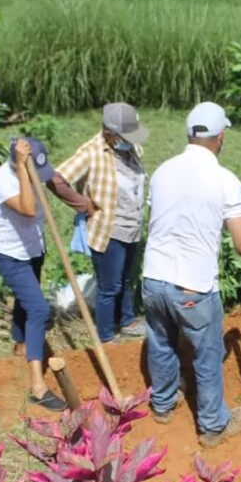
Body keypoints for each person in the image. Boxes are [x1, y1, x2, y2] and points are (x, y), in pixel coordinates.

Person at [142, 102, 241, 448]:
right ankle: (212, 426)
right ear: (220, 137)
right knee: (207, 353)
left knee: (160, 341)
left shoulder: (162, 171)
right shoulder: (225, 180)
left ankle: (163, 404)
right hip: (192, 285)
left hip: (153, 277)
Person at [0, 137, 88, 412]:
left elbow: (53, 183)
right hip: (10, 255)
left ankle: (20, 344)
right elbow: (29, 209)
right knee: (39, 310)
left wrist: (81, 203)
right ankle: (38, 388)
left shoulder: (33, 172)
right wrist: (24, 169)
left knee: (26, 299)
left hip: (33, 249)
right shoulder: (3, 180)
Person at [56, 103, 149, 344]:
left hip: (131, 228)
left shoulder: (130, 148)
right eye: (125, 137)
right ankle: (106, 335)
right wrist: (82, 203)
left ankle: (127, 321)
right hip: (108, 230)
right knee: (109, 287)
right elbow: (57, 180)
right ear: (109, 133)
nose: (130, 141)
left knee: (126, 280)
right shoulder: (91, 152)